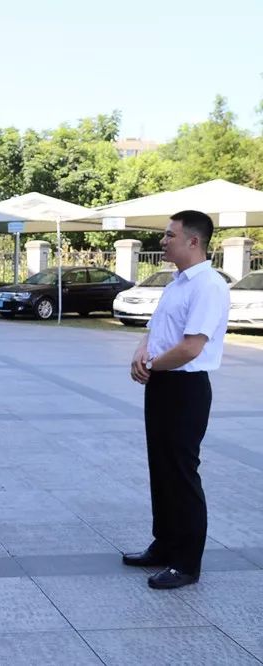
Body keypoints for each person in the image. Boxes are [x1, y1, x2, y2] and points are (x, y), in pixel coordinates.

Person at [126, 209, 230, 590]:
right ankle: (165, 544)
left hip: (185, 388)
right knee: (162, 468)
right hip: (163, 383)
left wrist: (151, 364)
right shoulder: (177, 283)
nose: (163, 241)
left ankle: (186, 563)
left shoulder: (208, 285)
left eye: (170, 235)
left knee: (182, 473)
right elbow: (156, 328)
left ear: (193, 241)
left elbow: (191, 347)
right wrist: (142, 351)